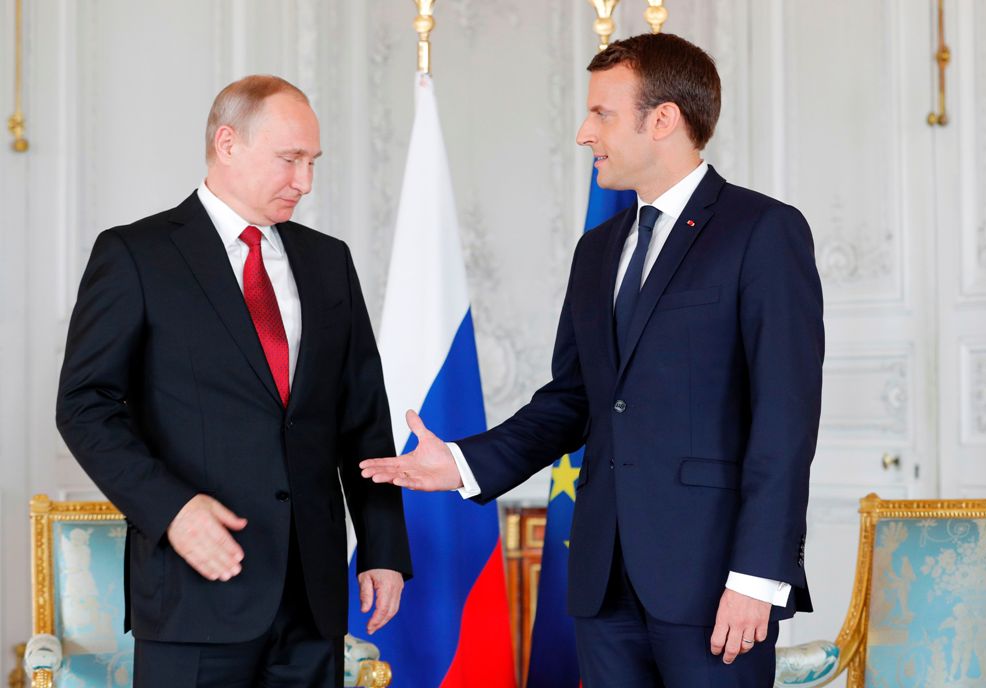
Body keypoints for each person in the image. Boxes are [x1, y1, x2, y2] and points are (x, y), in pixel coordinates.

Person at [360, 33, 824, 687]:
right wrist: (465, 463)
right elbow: (575, 398)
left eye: (602, 113)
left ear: (663, 119)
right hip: (603, 583)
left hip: (716, 582)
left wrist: (758, 575)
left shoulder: (763, 232)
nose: (584, 133)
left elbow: (785, 418)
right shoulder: (598, 250)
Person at [56, 75, 412, 687]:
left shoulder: (330, 261)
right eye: (290, 159)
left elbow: (363, 418)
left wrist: (383, 549)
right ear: (227, 143)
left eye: (312, 162)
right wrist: (171, 510)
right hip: (194, 593)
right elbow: (85, 407)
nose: (305, 181)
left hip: (311, 597)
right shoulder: (134, 254)